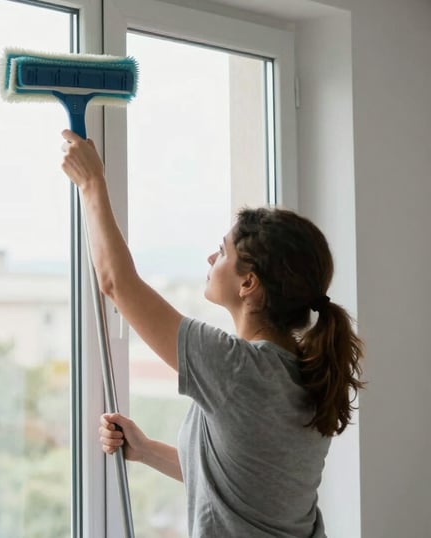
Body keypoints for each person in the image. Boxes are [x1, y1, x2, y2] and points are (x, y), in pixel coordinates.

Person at [60, 129, 365, 538]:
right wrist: (146, 450)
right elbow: (241, 485)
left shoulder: (238, 369)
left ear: (248, 283)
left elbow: (116, 283)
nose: (210, 257)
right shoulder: (302, 372)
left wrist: (91, 183)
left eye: (222, 251)